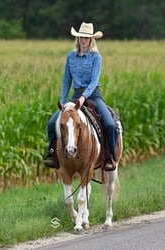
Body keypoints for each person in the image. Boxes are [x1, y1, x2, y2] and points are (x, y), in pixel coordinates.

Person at [43, 22, 119, 171]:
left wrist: (84, 97)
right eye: (81, 37)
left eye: (86, 37)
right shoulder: (71, 56)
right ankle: (53, 154)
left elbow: (94, 81)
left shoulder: (96, 57)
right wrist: (64, 102)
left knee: (110, 124)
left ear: (91, 40)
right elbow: (67, 80)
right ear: (78, 38)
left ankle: (110, 156)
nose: (83, 40)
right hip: (75, 96)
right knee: (52, 123)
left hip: (93, 95)